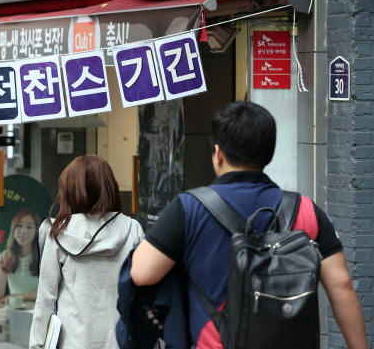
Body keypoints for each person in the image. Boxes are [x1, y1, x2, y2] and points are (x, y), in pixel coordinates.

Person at [130, 101, 367, 349]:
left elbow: (142, 272)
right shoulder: (307, 210)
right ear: (270, 155)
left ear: (218, 153)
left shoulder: (188, 209)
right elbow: (341, 285)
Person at [29, 155, 144, 349]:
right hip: (121, 342)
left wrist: (37, 345)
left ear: (69, 191)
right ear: (110, 188)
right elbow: (142, 293)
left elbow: (45, 300)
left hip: (72, 343)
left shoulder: (57, 233)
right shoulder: (133, 229)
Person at [0, 209, 40, 302]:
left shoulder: (45, 256)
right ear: (13, 228)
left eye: (29, 227)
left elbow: (51, 294)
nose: (23, 231)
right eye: (19, 225)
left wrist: (23, 296)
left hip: (39, 313)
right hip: (15, 312)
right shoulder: (5, 257)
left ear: (36, 231)